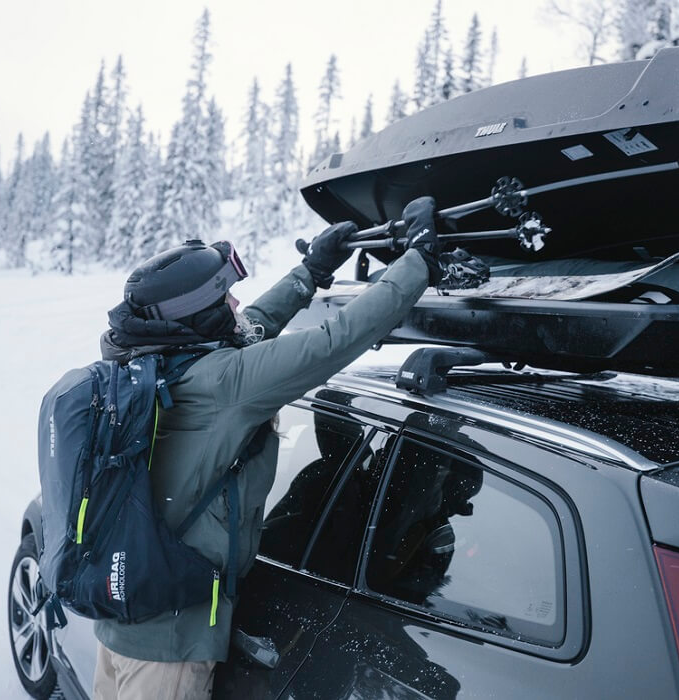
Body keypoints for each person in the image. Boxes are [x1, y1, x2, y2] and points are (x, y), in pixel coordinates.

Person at [90, 196, 443, 700]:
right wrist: (418, 262)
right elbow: (336, 339)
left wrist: (312, 272)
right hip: (170, 646)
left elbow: (250, 327)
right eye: (224, 298)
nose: (235, 303)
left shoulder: (151, 360)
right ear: (200, 316)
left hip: (124, 613)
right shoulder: (226, 383)